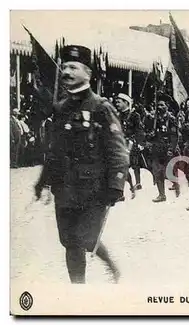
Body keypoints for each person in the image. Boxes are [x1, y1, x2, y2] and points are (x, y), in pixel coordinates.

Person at [33, 45, 129, 283]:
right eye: (64, 66)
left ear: (87, 73)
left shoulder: (101, 107)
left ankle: (112, 267)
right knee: (69, 242)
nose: (66, 71)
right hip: (65, 188)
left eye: (73, 67)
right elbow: (55, 150)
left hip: (92, 187)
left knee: (85, 238)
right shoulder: (60, 108)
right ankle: (78, 288)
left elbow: (118, 150)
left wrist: (116, 186)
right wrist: (43, 181)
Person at [114, 93, 145, 200]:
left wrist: (141, 143)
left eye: (119, 102)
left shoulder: (134, 115)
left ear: (126, 103)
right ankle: (123, 192)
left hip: (131, 144)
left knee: (134, 165)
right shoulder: (117, 115)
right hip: (120, 144)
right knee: (122, 168)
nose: (117, 104)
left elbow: (139, 130)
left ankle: (137, 183)